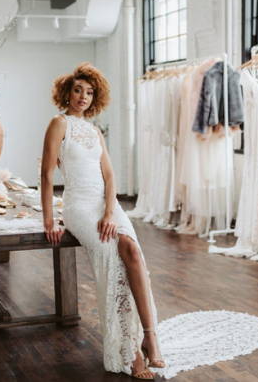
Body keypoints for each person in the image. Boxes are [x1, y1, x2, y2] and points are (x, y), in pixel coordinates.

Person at [40, 62, 165, 380]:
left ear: (95, 97)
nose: (83, 96)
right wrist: (49, 221)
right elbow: (45, 174)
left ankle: (150, 336)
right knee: (113, 263)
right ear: (67, 92)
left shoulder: (95, 131)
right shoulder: (58, 123)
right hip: (79, 206)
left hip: (105, 204)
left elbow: (110, 176)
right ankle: (130, 352)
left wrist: (111, 212)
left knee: (133, 251)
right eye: (78, 90)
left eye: (89, 92)